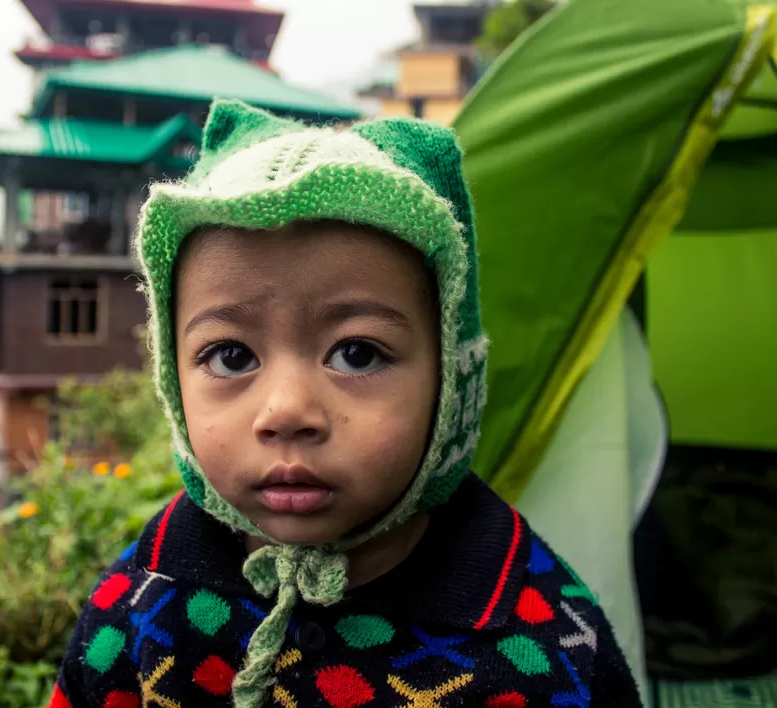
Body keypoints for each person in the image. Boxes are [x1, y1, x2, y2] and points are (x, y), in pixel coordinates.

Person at [48, 99, 642, 707]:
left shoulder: (546, 639)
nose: (284, 411)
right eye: (230, 356)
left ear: (449, 380)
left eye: (357, 354)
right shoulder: (146, 593)